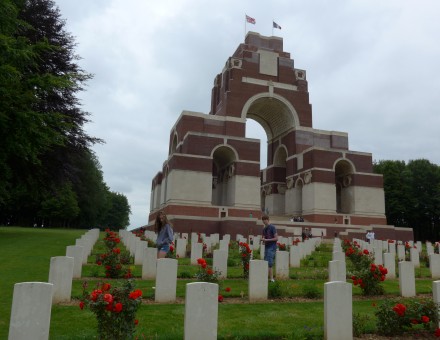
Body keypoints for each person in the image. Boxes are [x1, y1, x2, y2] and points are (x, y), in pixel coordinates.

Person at [261, 214, 278, 282]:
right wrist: (263, 240)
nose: (264, 222)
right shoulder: (264, 229)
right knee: (266, 262)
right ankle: (268, 278)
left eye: (265, 221)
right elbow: (264, 237)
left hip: (272, 247)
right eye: (263, 221)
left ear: (268, 220)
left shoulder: (272, 227)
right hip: (267, 246)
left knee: (270, 263)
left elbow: (276, 238)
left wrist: (266, 240)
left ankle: (271, 278)